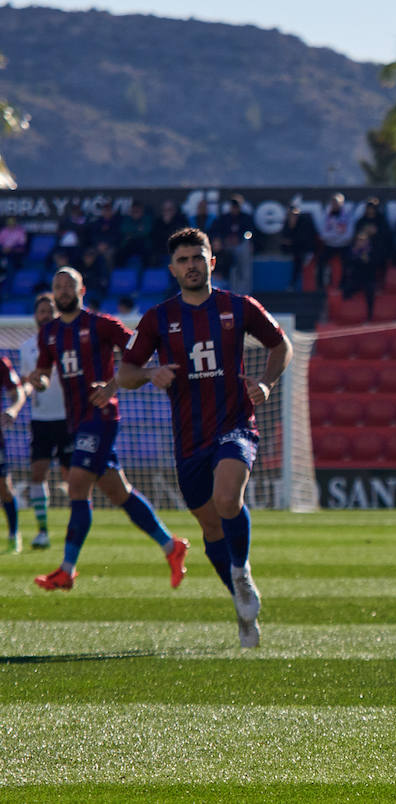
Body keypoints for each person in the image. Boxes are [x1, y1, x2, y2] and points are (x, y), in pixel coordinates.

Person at [103, 227, 293, 649]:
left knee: (228, 500)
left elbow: (281, 346)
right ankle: (241, 605)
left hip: (235, 425)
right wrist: (151, 372)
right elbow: (127, 373)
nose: (191, 265)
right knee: (210, 528)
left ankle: (242, 574)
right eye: (183, 260)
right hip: (189, 437)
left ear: (211, 262)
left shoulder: (238, 306)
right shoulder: (158, 318)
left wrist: (266, 383)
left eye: (197, 257)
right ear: (173, 269)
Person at [27, 267, 188, 593]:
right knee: (119, 492)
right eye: (57, 286)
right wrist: (39, 380)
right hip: (75, 421)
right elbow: (44, 371)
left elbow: (139, 348)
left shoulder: (100, 324)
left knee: (76, 487)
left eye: (68, 286)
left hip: (101, 417)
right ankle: (172, 547)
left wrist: (114, 384)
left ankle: (67, 570)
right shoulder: (49, 333)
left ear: (81, 289)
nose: (62, 291)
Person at [19, 292, 69, 549]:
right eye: (41, 311)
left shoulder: (67, 341)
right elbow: (28, 381)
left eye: (50, 311)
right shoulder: (27, 348)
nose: (45, 315)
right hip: (41, 420)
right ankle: (43, 531)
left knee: (73, 478)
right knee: (37, 473)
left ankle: (76, 527)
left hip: (68, 417)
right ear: (35, 316)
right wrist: (32, 384)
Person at [0, 354, 29, 552]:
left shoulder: (1, 363)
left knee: (4, 488)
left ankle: (14, 534)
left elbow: (17, 392)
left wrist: (13, 409)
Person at [317, 192, 355, 288]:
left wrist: (334, 236)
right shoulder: (326, 216)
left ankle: (344, 285)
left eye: (337, 202)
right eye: (333, 202)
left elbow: (349, 235)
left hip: (344, 245)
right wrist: (337, 235)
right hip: (329, 245)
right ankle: (321, 286)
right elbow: (322, 234)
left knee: (348, 263)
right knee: (321, 262)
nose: (335, 205)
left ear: (342, 203)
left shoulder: (348, 216)